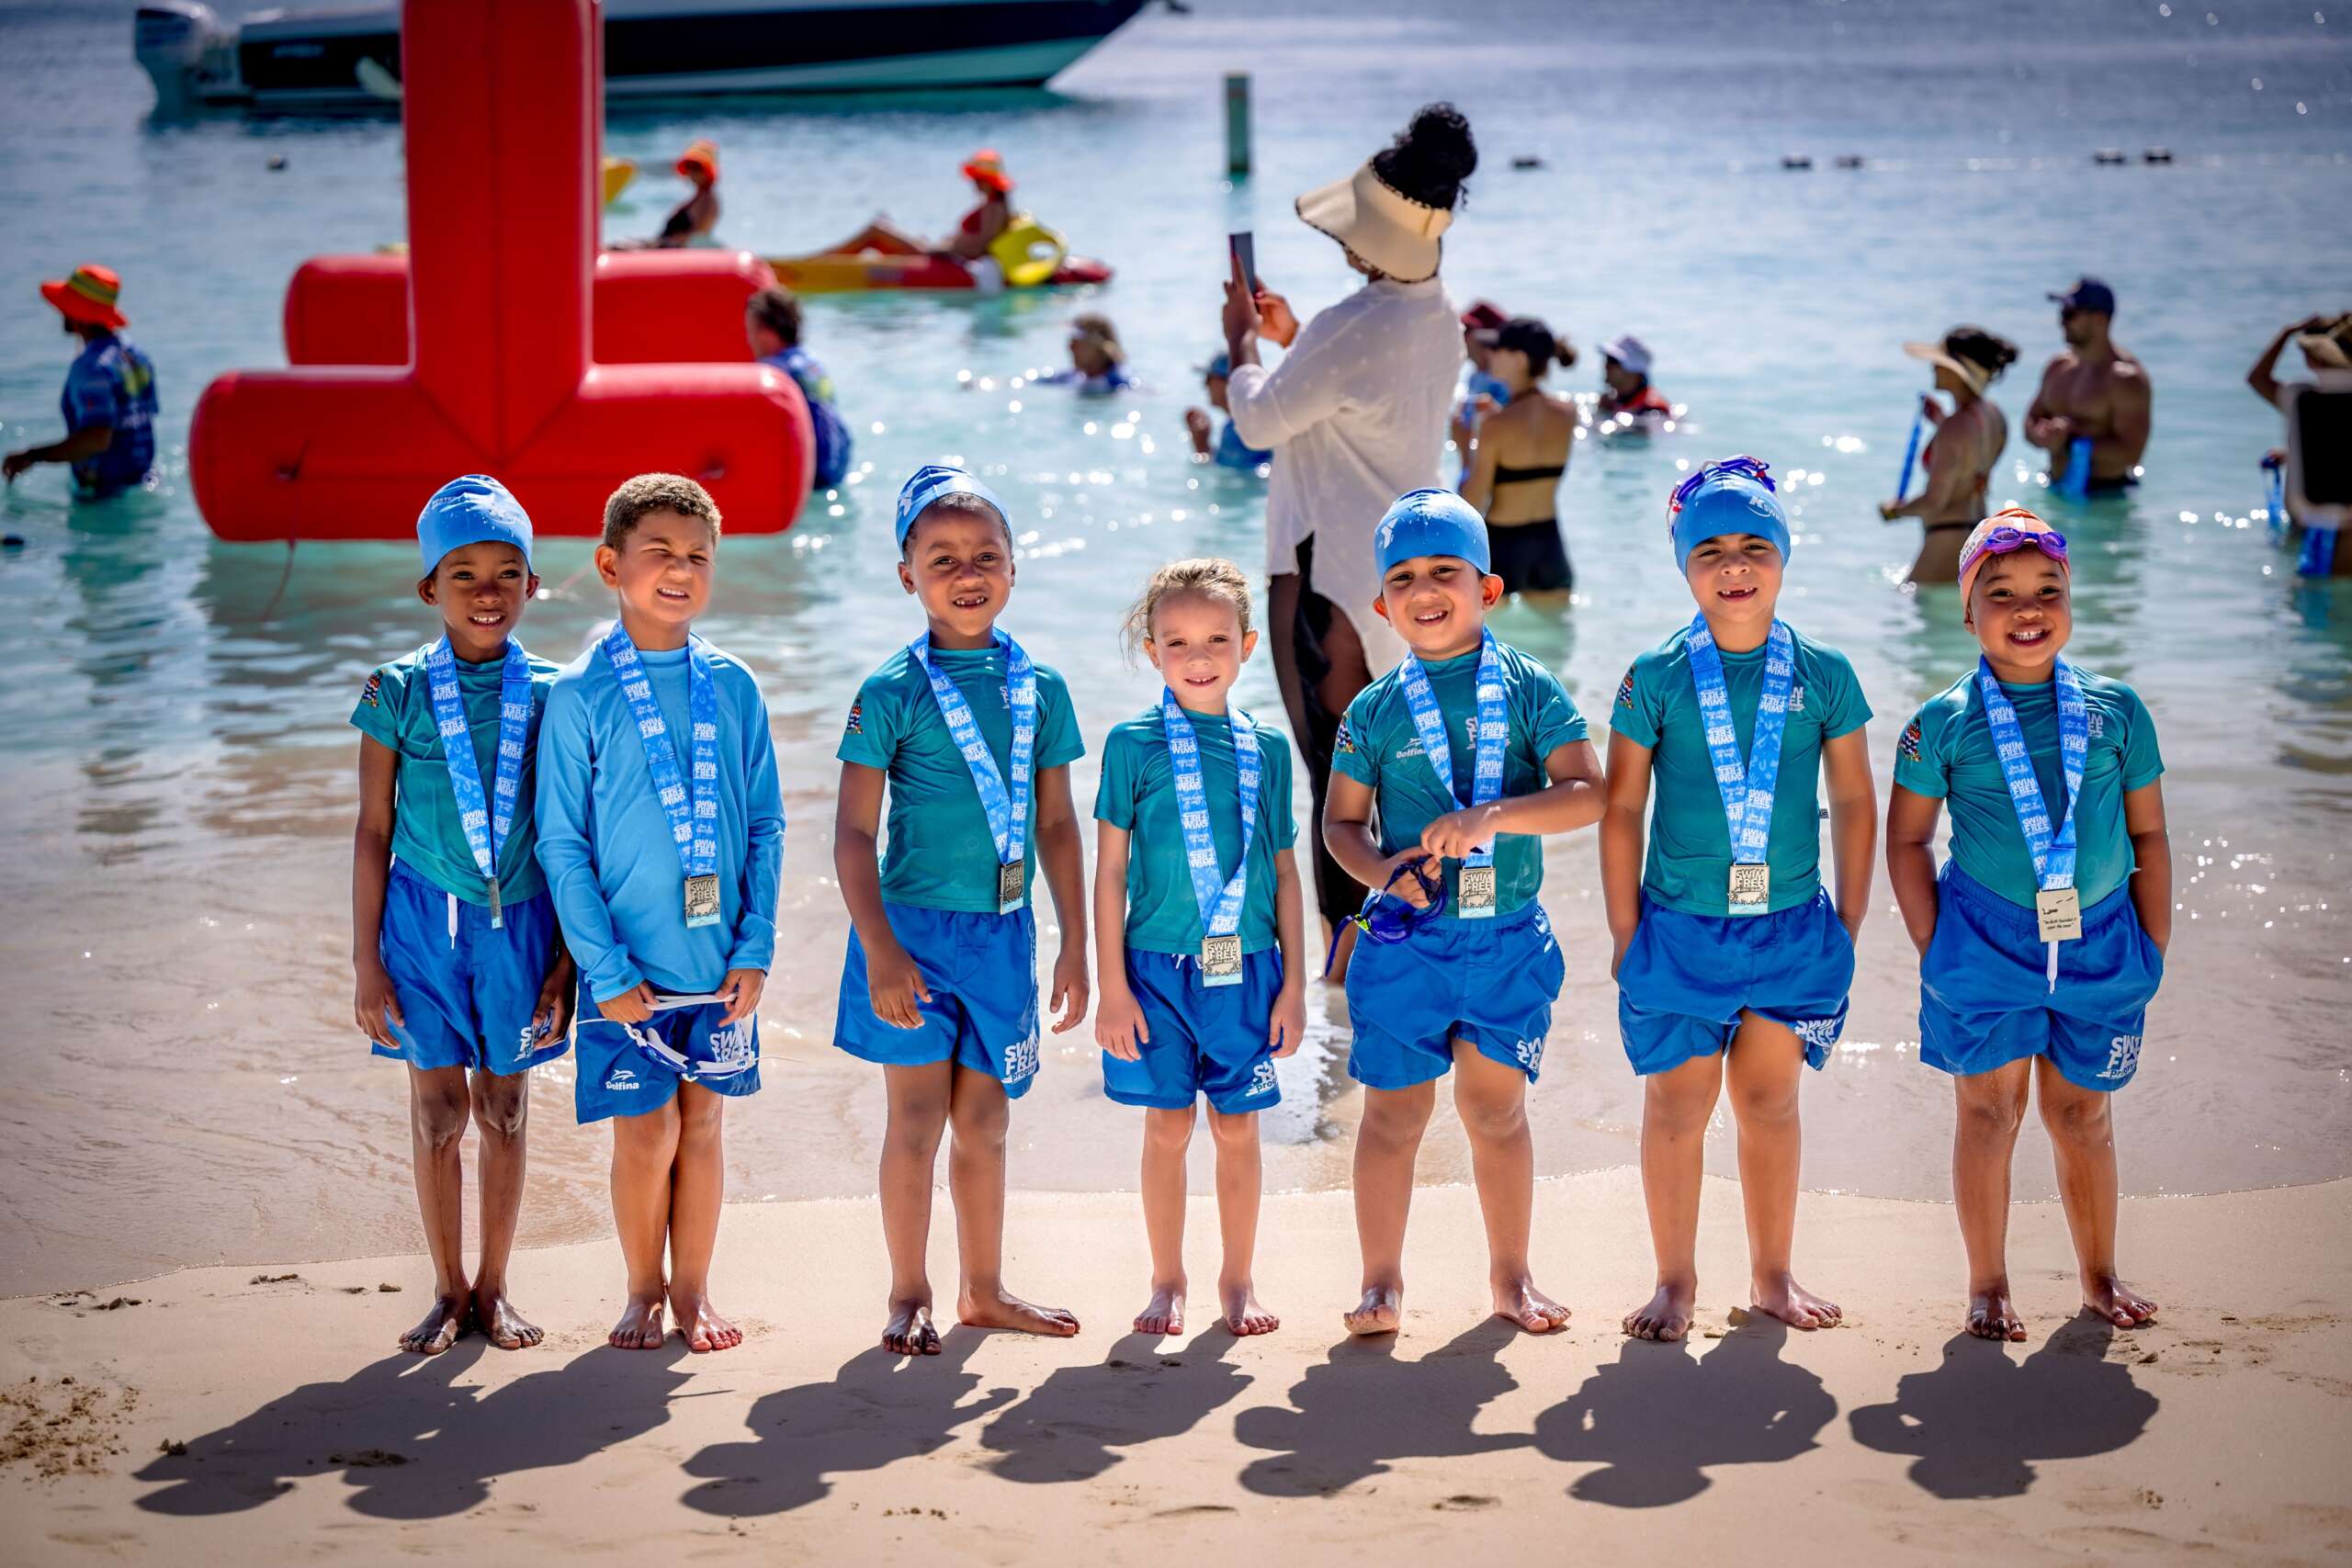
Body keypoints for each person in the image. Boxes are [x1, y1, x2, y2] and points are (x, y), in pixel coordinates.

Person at [1600, 457, 1877, 1343]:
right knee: (1677, 1109)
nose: (1734, 565)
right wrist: (1623, 928)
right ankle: (1674, 1280)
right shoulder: (1655, 674)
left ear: (1784, 555)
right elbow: (1621, 807)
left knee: (1770, 1104)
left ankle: (1773, 1273)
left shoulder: (1824, 672)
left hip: (1792, 927)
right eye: (1710, 550)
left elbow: (1856, 799)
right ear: (1684, 566)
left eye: (1755, 545)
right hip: (1678, 929)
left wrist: (1850, 917)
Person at [1323, 489, 1607, 1336]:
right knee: (1392, 1116)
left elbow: (1588, 792)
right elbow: (1340, 826)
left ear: (1486, 588)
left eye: (1444, 570)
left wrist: (1496, 815)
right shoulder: (1372, 709)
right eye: (1403, 577)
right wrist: (1383, 872)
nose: (1424, 589)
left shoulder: (1529, 687)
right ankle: (1380, 1283)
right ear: (1383, 606)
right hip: (1406, 948)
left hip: (1507, 941)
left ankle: (1512, 1278)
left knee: (1495, 1112)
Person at [1885, 508, 2168, 1341]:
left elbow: (2150, 834)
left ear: (2071, 599)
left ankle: (2099, 1274)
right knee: (1988, 1114)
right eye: (2000, 593)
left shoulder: (2117, 710)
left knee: (2083, 1116)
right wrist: (1934, 944)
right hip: (1984, 941)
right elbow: (1906, 840)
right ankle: (1988, 1283)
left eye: (2048, 589)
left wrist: (2153, 942)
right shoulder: (1941, 722)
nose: (2027, 608)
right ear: (1967, 611)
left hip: (2102, 939)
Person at [831, 465, 1090, 1358]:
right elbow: (852, 835)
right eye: (942, 558)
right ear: (908, 576)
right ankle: (909, 1294)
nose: (966, 572)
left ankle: (983, 1290)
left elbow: (1056, 824)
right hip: (909, 935)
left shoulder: (1041, 686)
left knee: (985, 1122)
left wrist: (1074, 943)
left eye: (985, 555)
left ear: (1015, 566)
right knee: (915, 1123)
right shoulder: (889, 690)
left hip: (1003, 936)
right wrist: (879, 950)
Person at [1218, 104, 1479, 976]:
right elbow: (1368, 395)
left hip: (1322, 566)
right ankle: (1416, 948)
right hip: (1404, 567)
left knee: (1333, 781)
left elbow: (1257, 421)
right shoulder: (1440, 317)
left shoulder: (1350, 325)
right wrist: (1295, 343)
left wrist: (1242, 342)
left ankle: (1344, 971)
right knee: (1395, 771)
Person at [536, 474, 786, 1354]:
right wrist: (602, 969)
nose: (680, 570)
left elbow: (766, 823)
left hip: (720, 967)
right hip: (627, 973)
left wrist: (756, 945)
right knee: (647, 1134)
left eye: (698, 556)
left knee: (705, 1125)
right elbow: (561, 844)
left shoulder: (735, 684)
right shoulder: (579, 693)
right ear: (611, 565)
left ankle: (695, 1293)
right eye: (660, 553)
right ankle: (643, 1289)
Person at [350, 475, 572, 1356]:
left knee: (505, 1108)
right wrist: (366, 961)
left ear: (533, 584)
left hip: (520, 928)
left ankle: (495, 1286)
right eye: (464, 574)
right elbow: (372, 829)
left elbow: (571, 835)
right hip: (419, 927)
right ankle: (446, 1290)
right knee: (437, 1112)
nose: (488, 591)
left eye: (507, 573)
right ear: (428, 587)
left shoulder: (556, 692)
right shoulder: (395, 690)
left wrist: (566, 958)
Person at [1093, 559, 1308, 1337]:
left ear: (1247, 645)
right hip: (1153, 973)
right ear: (1153, 650)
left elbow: (1286, 871)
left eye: (1217, 638)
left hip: (1247, 970)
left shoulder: (1267, 748)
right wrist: (1112, 987)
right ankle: (1167, 1281)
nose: (1197, 656)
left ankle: (1239, 1281)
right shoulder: (1131, 744)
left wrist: (1294, 986)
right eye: (1177, 641)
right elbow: (1109, 871)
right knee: (1166, 1126)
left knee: (1237, 1128)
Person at [4, 265, 158, 498]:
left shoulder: (91, 367)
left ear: (77, 313)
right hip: (142, 480)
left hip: (102, 495)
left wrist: (31, 456)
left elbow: (96, 440)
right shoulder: (135, 356)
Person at [1880, 327, 2020, 582]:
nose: (1933, 366)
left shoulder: (1955, 427)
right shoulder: (1993, 415)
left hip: (1947, 537)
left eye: (1941, 362)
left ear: (1959, 371)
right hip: (1976, 532)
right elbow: (1972, 462)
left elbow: (1934, 501)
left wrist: (1895, 511)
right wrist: (1942, 422)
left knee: (1905, 600)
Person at [1457, 314, 1580, 596]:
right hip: (1549, 544)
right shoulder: (1567, 414)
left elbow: (1472, 503)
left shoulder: (1494, 426)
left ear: (1520, 359)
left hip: (1503, 544)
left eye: (1498, 348)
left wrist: (1465, 446)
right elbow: (1530, 426)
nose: (1490, 355)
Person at [2245, 313, 2350, 577]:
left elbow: (2258, 379)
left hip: (2322, 528)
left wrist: (2286, 333)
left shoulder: (2307, 403)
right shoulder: (2309, 404)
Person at [2025, 278, 2152, 495]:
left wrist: (2069, 441)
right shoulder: (2058, 366)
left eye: (2070, 314)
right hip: (2054, 486)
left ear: (2100, 319)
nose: (2061, 322)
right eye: (2062, 313)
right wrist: (2041, 435)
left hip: (2104, 497)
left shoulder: (2125, 379)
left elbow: (2132, 453)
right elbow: (2031, 419)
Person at [745, 285, 852, 490]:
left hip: (804, 472)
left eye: (751, 331)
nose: (748, 340)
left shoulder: (772, 373)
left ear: (766, 333)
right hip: (836, 464)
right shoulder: (812, 363)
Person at [834, 147, 1016, 264]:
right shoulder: (995, 205)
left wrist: (944, 249)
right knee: (882, 227)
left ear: (988, 182)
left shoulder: (993, 208)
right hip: (939, 250)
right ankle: (830, 261)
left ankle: (825, 262)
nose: (974, 184)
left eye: (978, 180)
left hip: (942, 256)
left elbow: (979, 246)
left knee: (877, 230)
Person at [1448, 299, 1512, 481]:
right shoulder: (1475, 376)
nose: (1461, 339)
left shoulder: (1500, 382)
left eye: (1466, 333)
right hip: (1474, 462)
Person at [1184, 354, 1271, 471]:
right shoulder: (1238, 423)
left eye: (1209, 378)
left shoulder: (1238, 429)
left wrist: (1201, 448)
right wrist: (1202, 442)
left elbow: (1229, 475)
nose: (1205, 384)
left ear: (1229, 382)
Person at [1035, 313, 1133, 396]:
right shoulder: (1072, 377)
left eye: (1077, 342)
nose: (1071, 347)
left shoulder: (1122, 384)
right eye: (1071, 341)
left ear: (1099, 347)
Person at [1597, 334, 1671, 427]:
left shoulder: (1652, 411)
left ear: (1633, 370)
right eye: (1607, 359)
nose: (1606, 365)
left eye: (1612, 360)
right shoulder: (1612, 401)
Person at [657, 141, 720, 248]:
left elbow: (699, 238)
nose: (692, 172)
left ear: (707, 171)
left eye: (696, 167)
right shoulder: (697, 198)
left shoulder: (708, 200)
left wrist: (666, 242)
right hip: (665, 247)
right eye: (688, 166)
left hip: (676, 251)